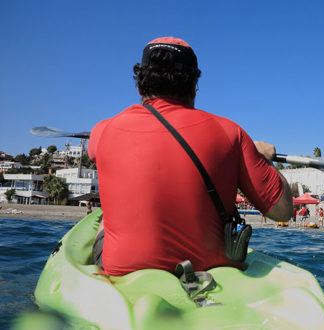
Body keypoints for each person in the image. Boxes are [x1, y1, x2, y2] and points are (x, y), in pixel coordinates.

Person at [88, 37, 293, 276]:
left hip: (123, 270)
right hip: (209, 269)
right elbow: (283, 211)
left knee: (105, 215)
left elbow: (93, 152)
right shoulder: (231, 134)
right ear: (194, 85)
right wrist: (261, 157)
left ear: (139, 86)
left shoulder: (103, 131)